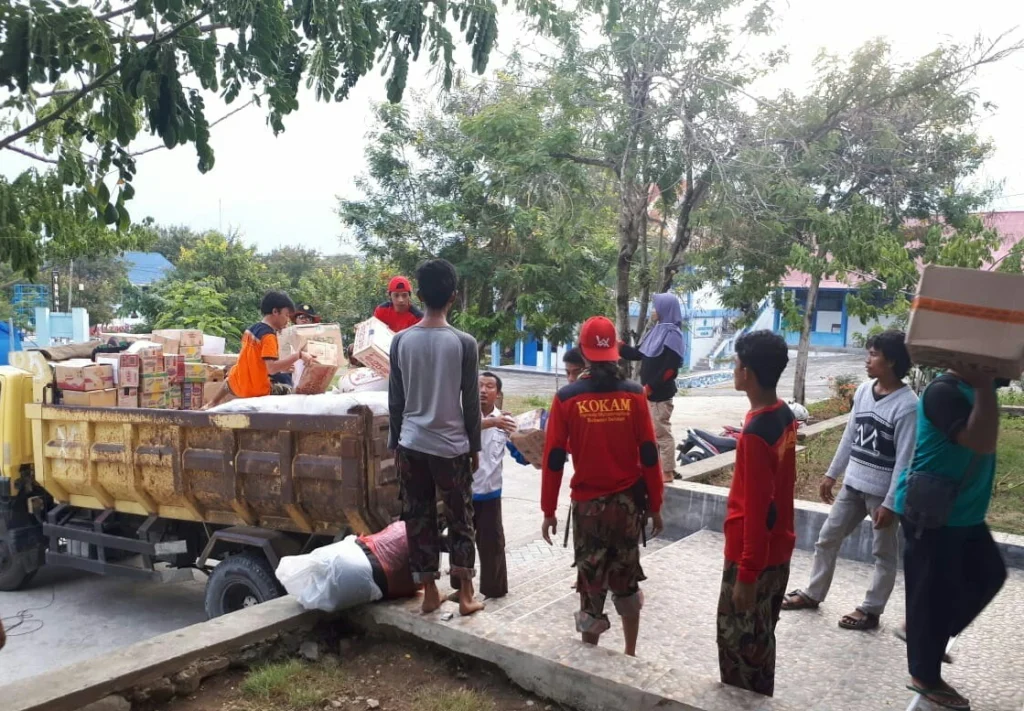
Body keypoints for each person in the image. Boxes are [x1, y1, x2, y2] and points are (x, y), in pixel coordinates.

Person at [540, 316, 665, 657]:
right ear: (616, 352)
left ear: (582, 352)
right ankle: (630, 653)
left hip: (588, 509)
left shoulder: (567, 398)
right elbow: (650, 455)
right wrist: (656, 504)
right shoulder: (635, 395)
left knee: (590, 582)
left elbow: (553, 459)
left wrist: (548, 510)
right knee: (627, 579)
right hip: (627, 506)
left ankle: (590, 657)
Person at [782, 331, 917, 631]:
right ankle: (813, 592)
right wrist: (832, 473)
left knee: (883, 554)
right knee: (827, 538)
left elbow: (906, 459)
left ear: (892, 361)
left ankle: (871, 609)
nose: (867, 360)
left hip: (881, 496)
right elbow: (850, 435)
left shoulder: (908, 407)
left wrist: (892, 502)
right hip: (853, 485)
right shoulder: (864, 391)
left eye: (873, 354)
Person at [889, 370, 1007, 711]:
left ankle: (923, 628)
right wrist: (986, 382)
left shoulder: (979, 384)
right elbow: (982, 441)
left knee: (989, 575)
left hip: (962, 512)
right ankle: (925, 675)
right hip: (932, 513)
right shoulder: (944, 391)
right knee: (934, 593)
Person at [388, 259, 485, 616]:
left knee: (418, 516)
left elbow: (395, 402)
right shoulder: (464, 343)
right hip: (451, 447)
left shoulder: (401, 342)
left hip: (411, 445)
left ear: (420, 295)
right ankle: (465, 596)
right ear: (453, 297)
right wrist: (474, 447)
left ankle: (429, 592)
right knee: (461, 518)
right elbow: (471, 404)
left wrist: (394, 444)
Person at [718, 330, 796, 697]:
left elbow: (757, 507)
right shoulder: (782, 414)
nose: (734, 370)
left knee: (739, 643)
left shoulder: (755, 432)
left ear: (747, 372)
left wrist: (747, 573)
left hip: (753, 554)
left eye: (735, 364)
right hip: (778, 547)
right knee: (761, 634)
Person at [449, 372, 514, 600]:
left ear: (498, 393)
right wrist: (493, 422)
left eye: (489, 386)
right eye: (479, 386)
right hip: (463, 493)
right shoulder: (461, 418)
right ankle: (460, 588)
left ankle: (494, 589)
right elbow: (464, 431)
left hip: (490, 494)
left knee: (492, 544)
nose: (483, 390)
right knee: (460, 542)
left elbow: (522, 453)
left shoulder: (505, 423)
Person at [204, 291, 312, 409]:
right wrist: (298, 355)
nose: (288, 321)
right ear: (275, 312)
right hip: (257, 390)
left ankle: (212, 403)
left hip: (239, 384)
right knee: (291, 392)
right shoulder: (269, 336)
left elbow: (256, 362)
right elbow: (271, 369)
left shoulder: (251, 330)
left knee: (233, 375)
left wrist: (283, 367)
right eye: (286, 315)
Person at [620, 294, 684, 483]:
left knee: (661, 432)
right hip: (647, 392)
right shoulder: (656, 331)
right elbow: (638, 354)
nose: (653, 311)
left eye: (656, 308)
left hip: (659, 394)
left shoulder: (673, 335)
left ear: (665, 310)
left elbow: (670, 369)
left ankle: (668, 472)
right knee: (647, 433)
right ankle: (654, 468)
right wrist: (619, 347)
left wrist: (651, 387)